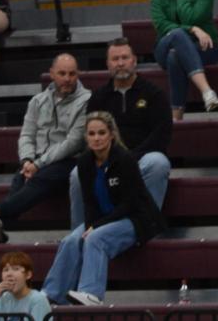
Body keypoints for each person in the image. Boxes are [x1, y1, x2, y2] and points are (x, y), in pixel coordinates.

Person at [43, 112, 171, 307]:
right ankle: (51, 295)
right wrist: (89, 225)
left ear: (111, 134)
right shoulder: (85, 162)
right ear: (86, 137)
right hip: (103, 218)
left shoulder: (124, 159)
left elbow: (130, 203)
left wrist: (96, 227)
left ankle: (91, 294)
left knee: (96, 238)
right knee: (71, 240)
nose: (97, 138)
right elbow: (89, 202)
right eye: (92, 134)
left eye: (102, 133)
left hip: (135, 219)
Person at [0, 52, 91, 243]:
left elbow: (74, 142)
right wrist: (27, 160)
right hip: (38, 162)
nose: (67, 79)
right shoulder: (37, 101)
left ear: (78, 74)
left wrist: (38, 164)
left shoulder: (86, 101)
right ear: (51, 74)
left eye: (72, 74)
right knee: (19, 179)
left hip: (71, 162)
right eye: (62, 73)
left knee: (41, 176)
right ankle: (0, 230)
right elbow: (27, 135)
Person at [84, 35, 173, 212]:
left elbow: (161, 135)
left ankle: (148, 223)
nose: (120, 63)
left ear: (134, 61)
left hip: (142, 158)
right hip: (108, 161)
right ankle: (81, 233)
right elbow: (91, 135)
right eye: (115, 59)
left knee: (159, 163)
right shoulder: (98, 98)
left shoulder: (154, 94)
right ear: (108, 64)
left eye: (125, 58)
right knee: (75, 174)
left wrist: (131, 158)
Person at [150, 0, 218, 117]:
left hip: (204, 47)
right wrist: (192, 29)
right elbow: (160, 24)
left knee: (176, 56)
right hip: (165, 45)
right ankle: (206, 90)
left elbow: (194, 16)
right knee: (175, 36)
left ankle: (177, 117)